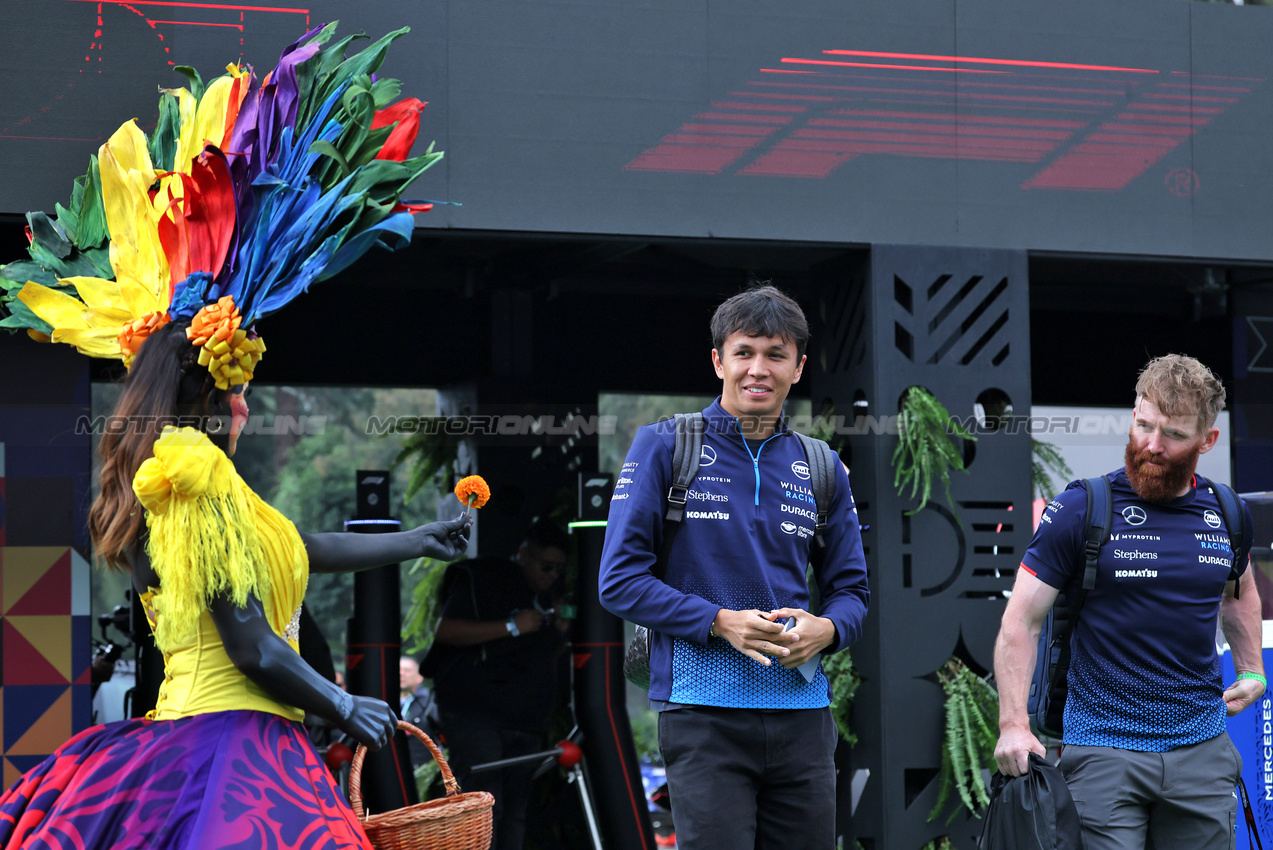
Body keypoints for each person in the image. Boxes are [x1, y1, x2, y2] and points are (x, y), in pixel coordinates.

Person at [0, 23, 457, 849]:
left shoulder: (194, 478)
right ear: (207, 399)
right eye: (239, 394)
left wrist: (416, 540)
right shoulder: (191, 471)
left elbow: (295, 546)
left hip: (223, 743)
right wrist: (342, 703)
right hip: (232, 744)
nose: (248, 410)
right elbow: (250, 643)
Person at [598, 284, 870, 850]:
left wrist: (829, 629)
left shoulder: (823, 466)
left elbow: (852, 593)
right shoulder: (665, 445)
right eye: (744, 352)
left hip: (804, 715)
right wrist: (720, 620)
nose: (758, 369)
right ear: (719, 360)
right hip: (701, 713)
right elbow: (619, 582)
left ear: (797, 369)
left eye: (776, 355)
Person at [993, 354, 1265, 850]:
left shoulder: (1227, 512)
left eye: (1174, 435)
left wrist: (1250, 669)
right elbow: (1021, 620)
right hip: (1102, 751)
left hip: (1201, 751)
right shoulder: (1084, 506)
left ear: (1208, 441)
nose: (1152, 446)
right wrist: (1013, 724)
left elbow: (1239, 591)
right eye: (1144, 425)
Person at [424, 519, 573, 850]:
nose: (551, 576)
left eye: (558, 569)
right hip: (479, 715)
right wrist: (511, 626)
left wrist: (558, 632)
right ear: (523, 555)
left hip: (527, 721)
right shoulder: (487, 578)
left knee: (515, 813)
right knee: (485, 809)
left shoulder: (549, 595)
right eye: (546, 566)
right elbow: (445, 632)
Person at [399, 654, 439, 764]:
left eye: (407, 670)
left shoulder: (430, 701)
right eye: (399, 670)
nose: (401, 674)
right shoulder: (385, 702)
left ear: (420, 677)